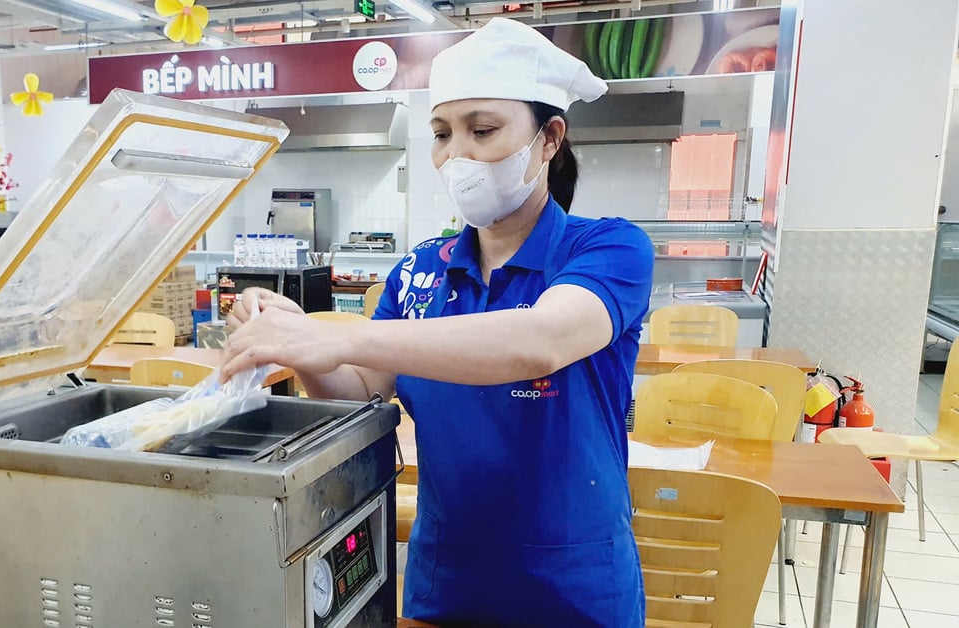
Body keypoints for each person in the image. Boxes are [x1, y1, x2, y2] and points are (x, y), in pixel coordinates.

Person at [221, 18, 652, 627]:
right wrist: (304, 347)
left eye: (483, 131)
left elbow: (538, 341)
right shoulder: (422, 270)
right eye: (442, 134)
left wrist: (340, 333)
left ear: (550, 138)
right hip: (447, 584)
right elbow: (365, 392)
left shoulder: (608, 249)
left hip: (572, 591)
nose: (458, 156)